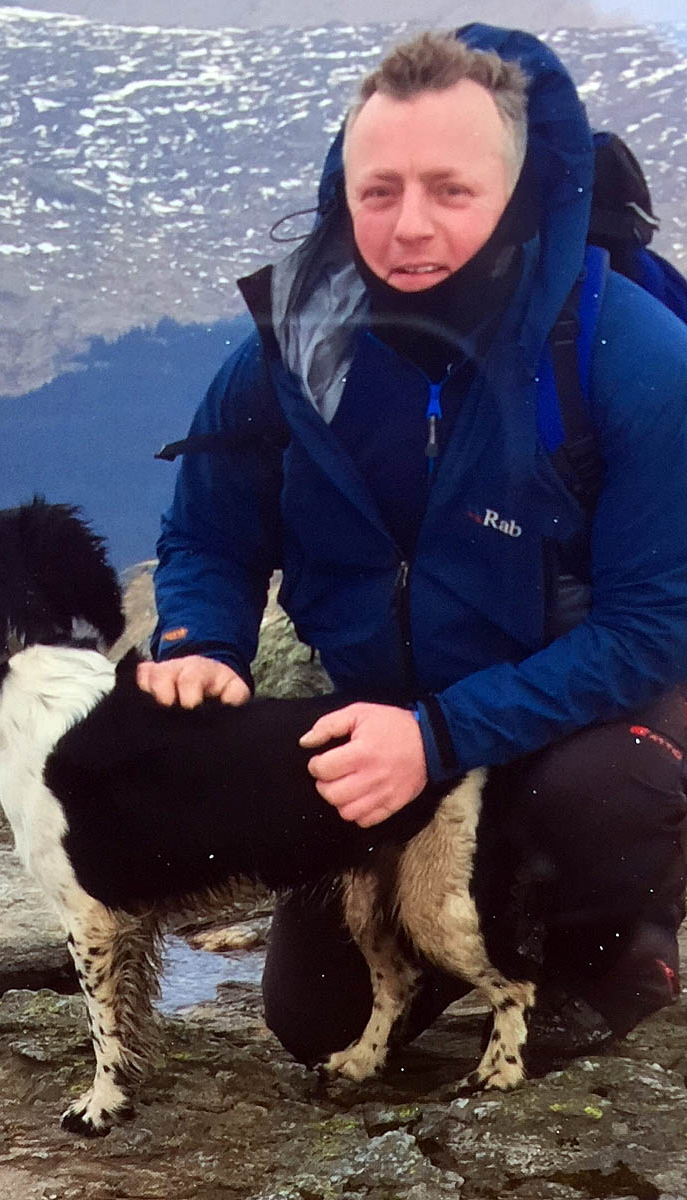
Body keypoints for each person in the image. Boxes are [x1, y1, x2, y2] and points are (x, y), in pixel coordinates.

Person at [138, 25, 687, 1066]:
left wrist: (437, 737)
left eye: (450, 189)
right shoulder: (297, 347)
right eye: (378, 190)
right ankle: (450, 937)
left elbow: (653, 626)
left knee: (601, 797)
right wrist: (202, 641)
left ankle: (609, 955)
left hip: (582, 713)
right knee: (318, 1025)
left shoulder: (626, 355)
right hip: (385, 717)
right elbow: (208, 532)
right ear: (341, 189)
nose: (409, 225)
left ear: (517, 188)